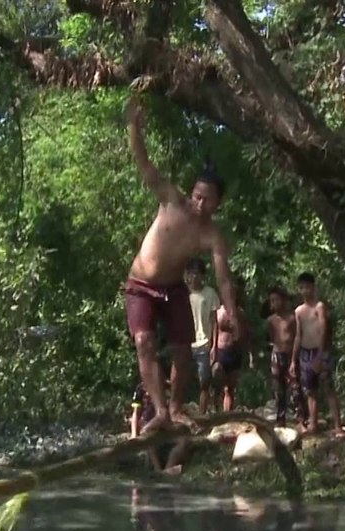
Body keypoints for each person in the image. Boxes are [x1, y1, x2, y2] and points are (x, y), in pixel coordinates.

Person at [122, 95, 241, 433]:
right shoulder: (172, 200)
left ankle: (175, 408)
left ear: (218, 204)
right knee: (144, 343)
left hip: (173, 288)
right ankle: (160, 411)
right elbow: (144, 164)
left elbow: (223, 277)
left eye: (208, 200)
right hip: (140, 284)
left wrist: (231, 312)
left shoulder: (212, 235)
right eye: (197, 195)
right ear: (191, 191)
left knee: (184, 352)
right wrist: (134, 127)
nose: (199, 203)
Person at [293, 272, 345, 435]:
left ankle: (337, 425)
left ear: (313, 287)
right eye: (302, 288)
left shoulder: (319, 307)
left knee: (328, 388)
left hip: (320, 351)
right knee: (310, 390)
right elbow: (298, 335)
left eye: (307, 287)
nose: (305, 291)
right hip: (305, 353)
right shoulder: (299, 311)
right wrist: (293, 360)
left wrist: (320, 355)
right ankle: (313, 424)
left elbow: (323, 330)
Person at [185, 259, 221, 413]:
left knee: (204, 382)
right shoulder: (183, 294)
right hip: (185, 344)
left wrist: (214, 345)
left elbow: (214, 321)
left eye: (198, 274)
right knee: (180, 381)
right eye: (192, 274)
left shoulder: (210, 293)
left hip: (204, 343)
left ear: (202, 276)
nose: (195, 277)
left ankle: (202, 414)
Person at [211, 279, 253, 412]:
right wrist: (212, 348)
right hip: (220, 350)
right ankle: (215, 408)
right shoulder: (218, 312)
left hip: (234, 350)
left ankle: (227, 413)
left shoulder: (240, 313)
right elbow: (213, 331)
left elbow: (246, 334)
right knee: (217, 376)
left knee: (230, 387)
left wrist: (250, 354)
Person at [265, 286, 297, 425]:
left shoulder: (292, 318)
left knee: (295, 385)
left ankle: (301, 416)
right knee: (279, 388)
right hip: (277, 355)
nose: (274, 303)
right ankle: (281, 417)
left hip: (290, 354)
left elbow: (296, 336)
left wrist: (294, 357)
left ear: (283, 300)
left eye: (277, 299)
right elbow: (272, 338)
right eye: (272, 300)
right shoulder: (271, 320)